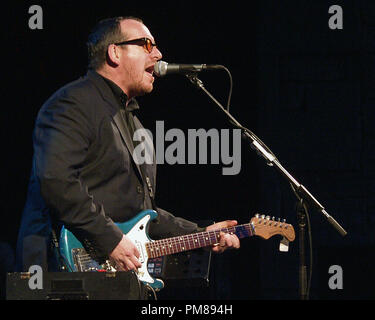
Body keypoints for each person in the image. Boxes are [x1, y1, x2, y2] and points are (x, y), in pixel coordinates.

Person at [16, 16, 240, 288]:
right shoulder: (71, 103)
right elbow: (56, 180)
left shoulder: (138, 129)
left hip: (117, 282)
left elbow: (145, 213)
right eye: (146, 44)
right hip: (58, 272)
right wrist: (110, 240)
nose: (158, 54)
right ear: (114, 52)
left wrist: (202, 233)